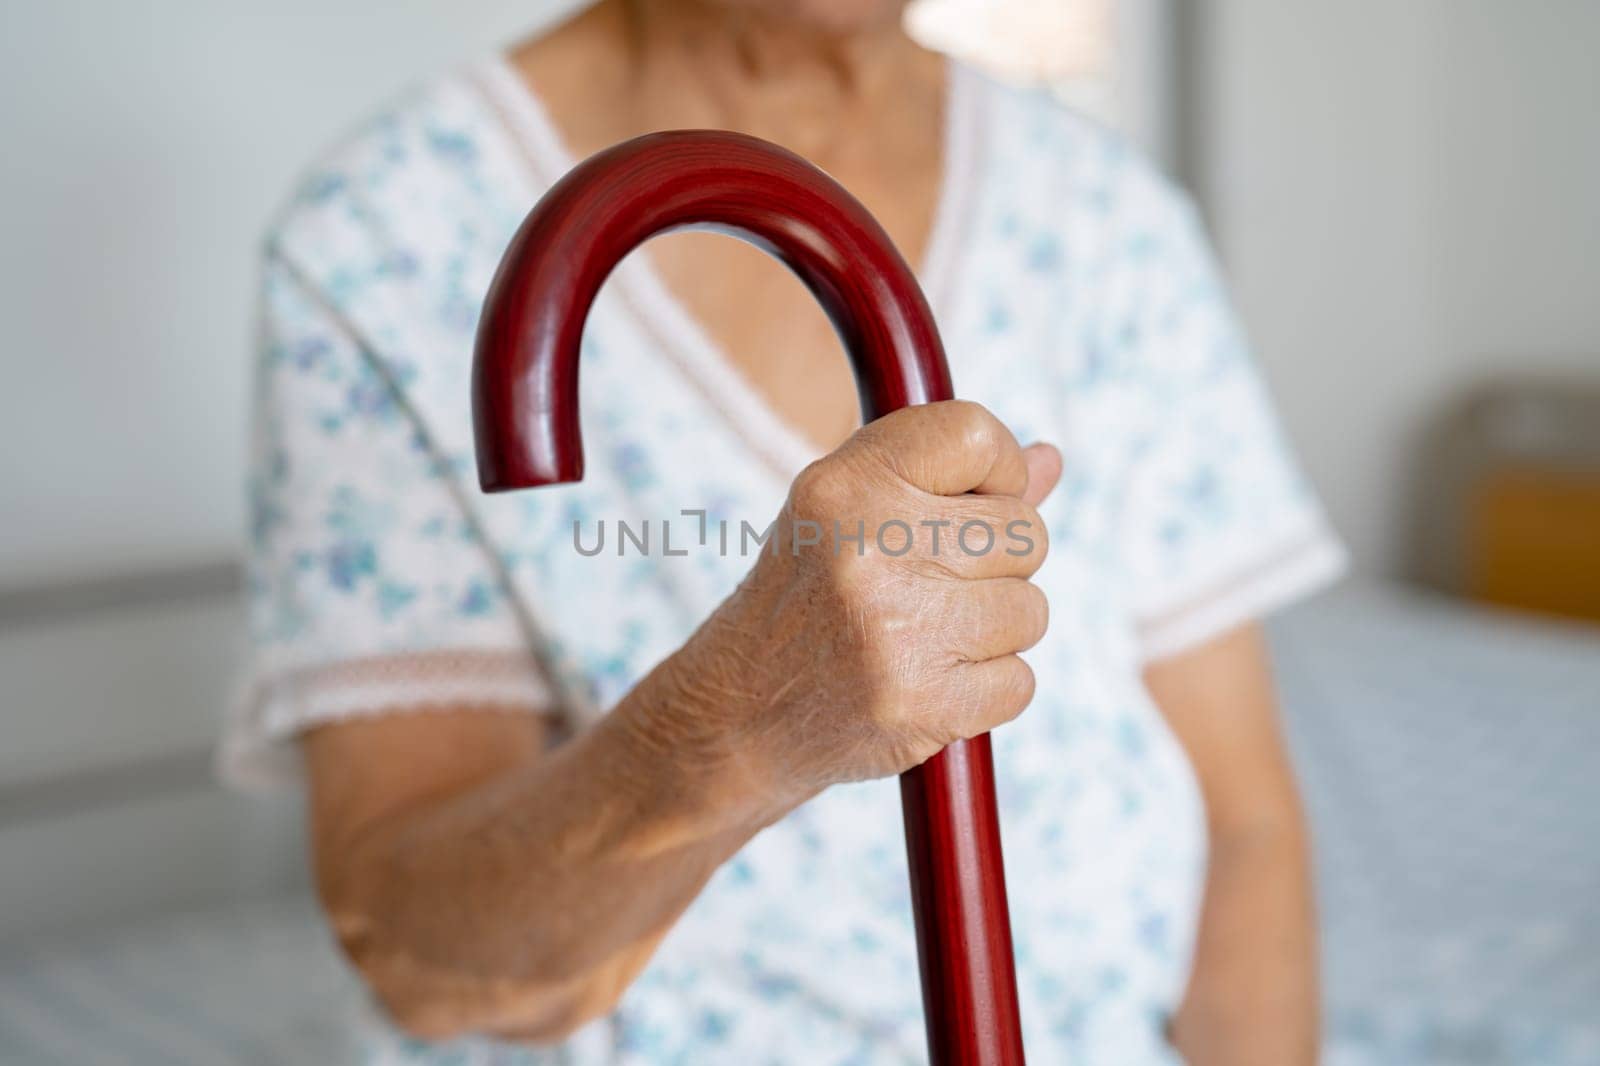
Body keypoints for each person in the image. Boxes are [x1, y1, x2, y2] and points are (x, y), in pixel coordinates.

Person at [225, 1, 1345, 1062]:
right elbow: (424, 959)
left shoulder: (1107, 223)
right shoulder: (387, 241)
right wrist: (744, 722)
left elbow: (1244, 830)